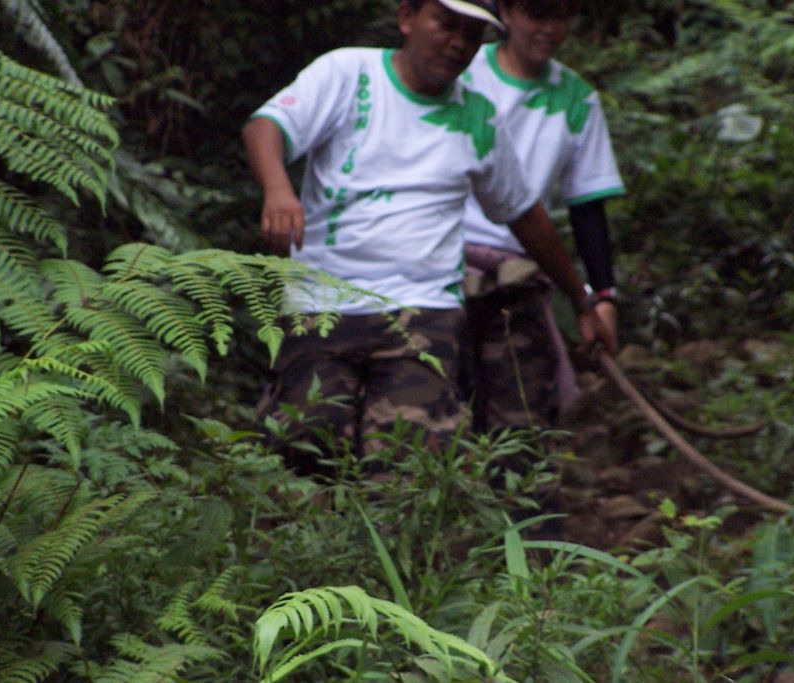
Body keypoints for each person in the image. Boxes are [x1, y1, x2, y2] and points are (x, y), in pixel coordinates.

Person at [242, 0, 609, 463]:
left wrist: (583, 299)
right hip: (323, 302)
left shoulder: (478, 117)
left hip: (423, 311)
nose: (458, 43)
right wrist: (278, 190)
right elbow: (266, 126)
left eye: (472, 34)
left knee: (408, 468)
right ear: (406, 18)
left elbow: (525, 216)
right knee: (304, 456)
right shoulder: (348, 74)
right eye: (446, 24)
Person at [460, 0, 624, 431]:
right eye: (538, 15)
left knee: (520, 415)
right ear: (507, 13)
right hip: (441, 259)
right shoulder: (461, 73)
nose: (549, 29)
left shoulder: (576, 99)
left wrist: (603, 297)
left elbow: (587, 206)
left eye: (562, 17)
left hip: (519, 270)